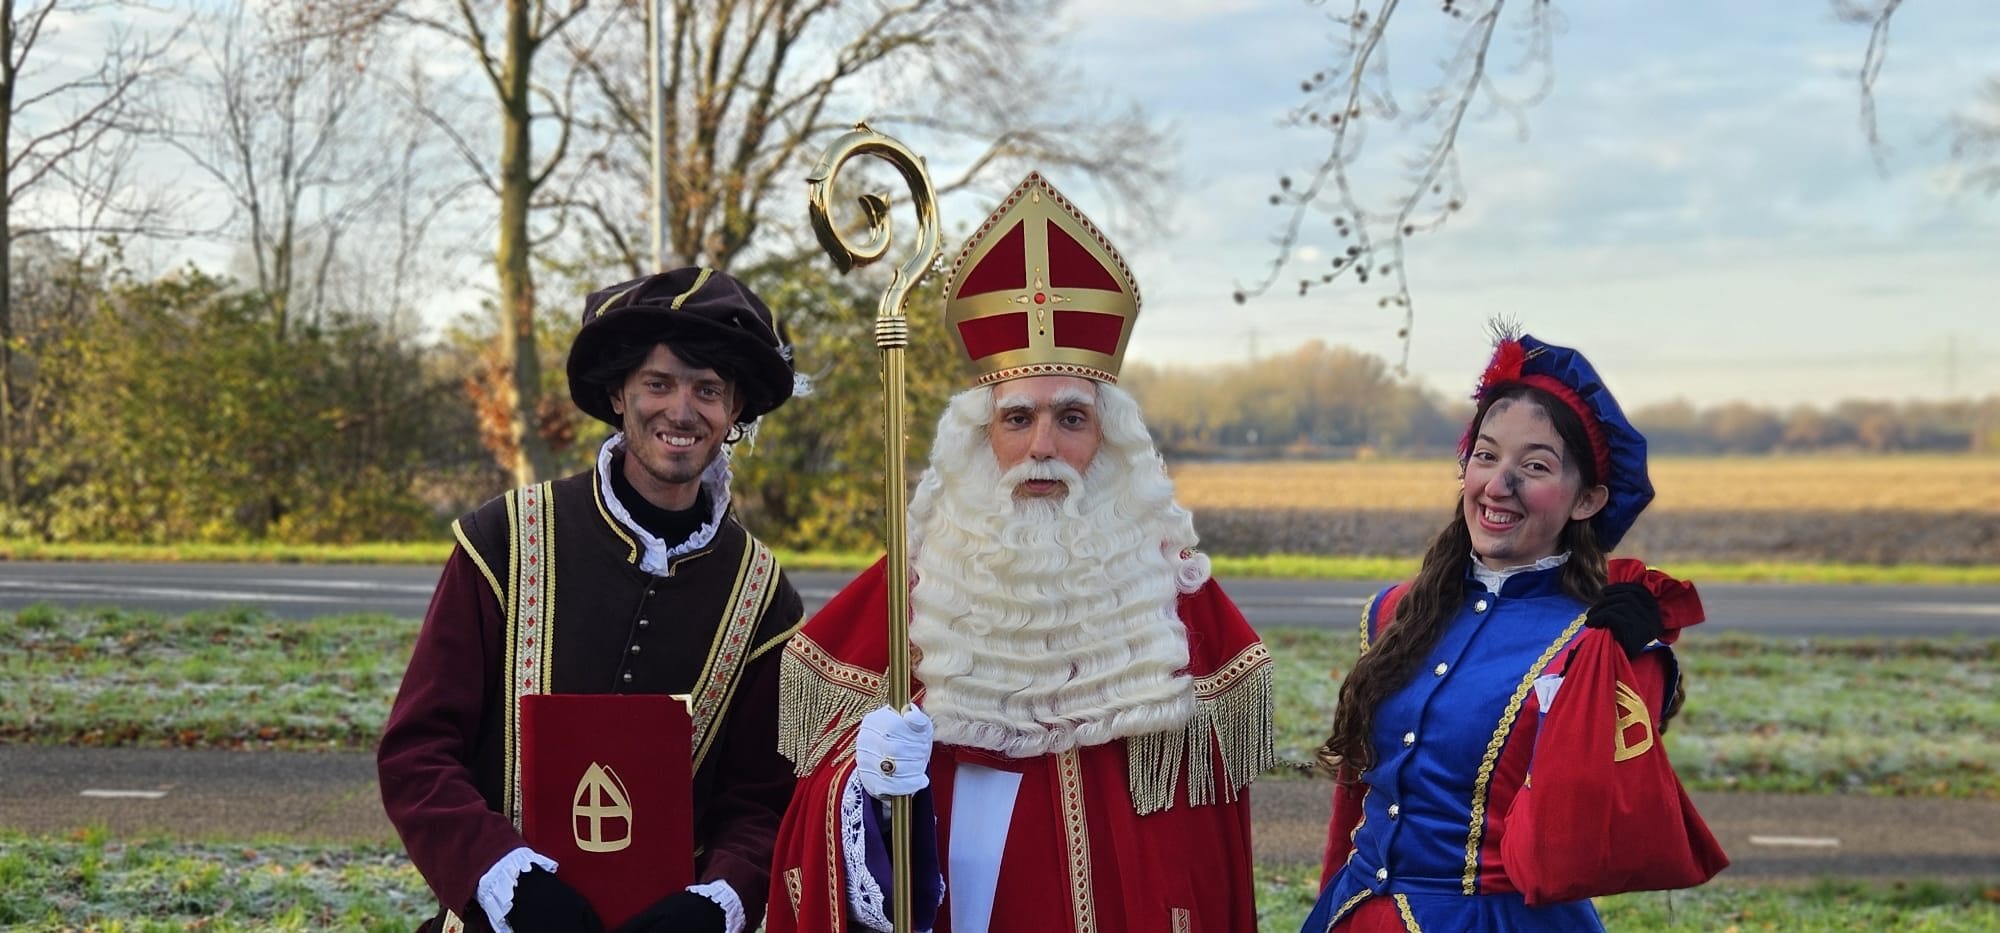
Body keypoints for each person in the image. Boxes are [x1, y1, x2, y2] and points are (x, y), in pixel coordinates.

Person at [765, 172, 1275, 932]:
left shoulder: (1169, 585)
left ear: (1109, 438)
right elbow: (818, 787)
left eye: (1072, 417)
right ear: (982, 434)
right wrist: (861, 776)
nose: (1044, 446)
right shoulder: (918, 578)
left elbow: (1209, 841)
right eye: (1018, 418)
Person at [378, 267, 808, 933]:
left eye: (708, 390)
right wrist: (502, 877)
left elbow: (761, 799)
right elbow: (418, 750)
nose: (682, 410)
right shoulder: (505, 538)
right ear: (618, 393)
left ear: (734, 412)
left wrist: (716, 902)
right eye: (658, 384)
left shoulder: (761, 591)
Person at [1302, 328, 1702, 931]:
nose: (1497, 485)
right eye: (1486, 456)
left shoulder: (1598, 640)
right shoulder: (1393, 613)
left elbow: (1599, 814)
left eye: (1534, 466)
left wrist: (1619, 662)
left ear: (1587, 499)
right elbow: (1354, 807)